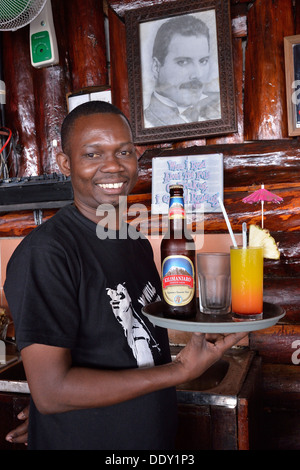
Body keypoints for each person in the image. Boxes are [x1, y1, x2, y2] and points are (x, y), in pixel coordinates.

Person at [4, 101, 245, 450]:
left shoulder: (134, 243)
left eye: (124, 151)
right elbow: (53, 392)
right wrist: (180, 371)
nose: (113, 166)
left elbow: (117, 349)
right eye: (92, 154)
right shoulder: (48, 252)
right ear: (65, 163)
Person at [144, 15, 221, 128]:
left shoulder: (221, 105)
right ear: (156, 67)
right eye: (183, 62)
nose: (197, 74)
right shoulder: (145, 122)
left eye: (203, 61)